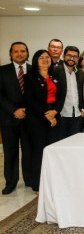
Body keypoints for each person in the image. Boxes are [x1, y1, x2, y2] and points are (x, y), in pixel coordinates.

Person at [24, 49, 63, 192]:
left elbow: (61, 95)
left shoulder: (56, 75)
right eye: (41, 57)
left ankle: (52, 182)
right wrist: (47, 115)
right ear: (36, 60)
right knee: (39, 150)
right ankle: (38, 183)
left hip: (54, 115)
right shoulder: (30, 77)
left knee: (52, 150)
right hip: (37, 118)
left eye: (47, 57)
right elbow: (30, 100)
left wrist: (55, 112)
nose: (45, 59)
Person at [0, 42, 33, 194]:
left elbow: (38, 96)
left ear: (27, 53)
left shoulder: (34, 69)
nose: (20, 54)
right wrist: (14, 110)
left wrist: (26, 109)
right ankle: (11, 183)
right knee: (10, 152)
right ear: (11, 54)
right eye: (16, 51)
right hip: (8, 119)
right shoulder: (2, 71)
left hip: (29, 119)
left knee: (29, 151)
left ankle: (30, 180)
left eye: (23, 51)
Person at [54, 46, 84, 140]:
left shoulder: (80, 73)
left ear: (78, 59)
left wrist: (83, 110)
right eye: (69, 55)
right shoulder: (55, 70)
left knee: (74, 144)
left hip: (77, 115)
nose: (72, 58)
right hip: (61, 115)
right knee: (60, 144)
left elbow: (82, 92)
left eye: (75, 56)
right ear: (63, 56)